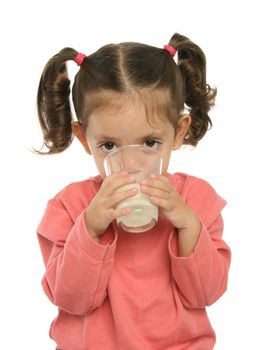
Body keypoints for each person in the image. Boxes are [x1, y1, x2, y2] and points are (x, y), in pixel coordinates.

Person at [36, 33, 231, 350]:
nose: (130, 163)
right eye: (109, 145)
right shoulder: (69, 207)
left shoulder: (198, 200)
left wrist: (187, 223)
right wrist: (89, 228)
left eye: (150, 143)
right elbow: (70, 299)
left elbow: (207, 293)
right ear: (85, 139)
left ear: (178, 132)